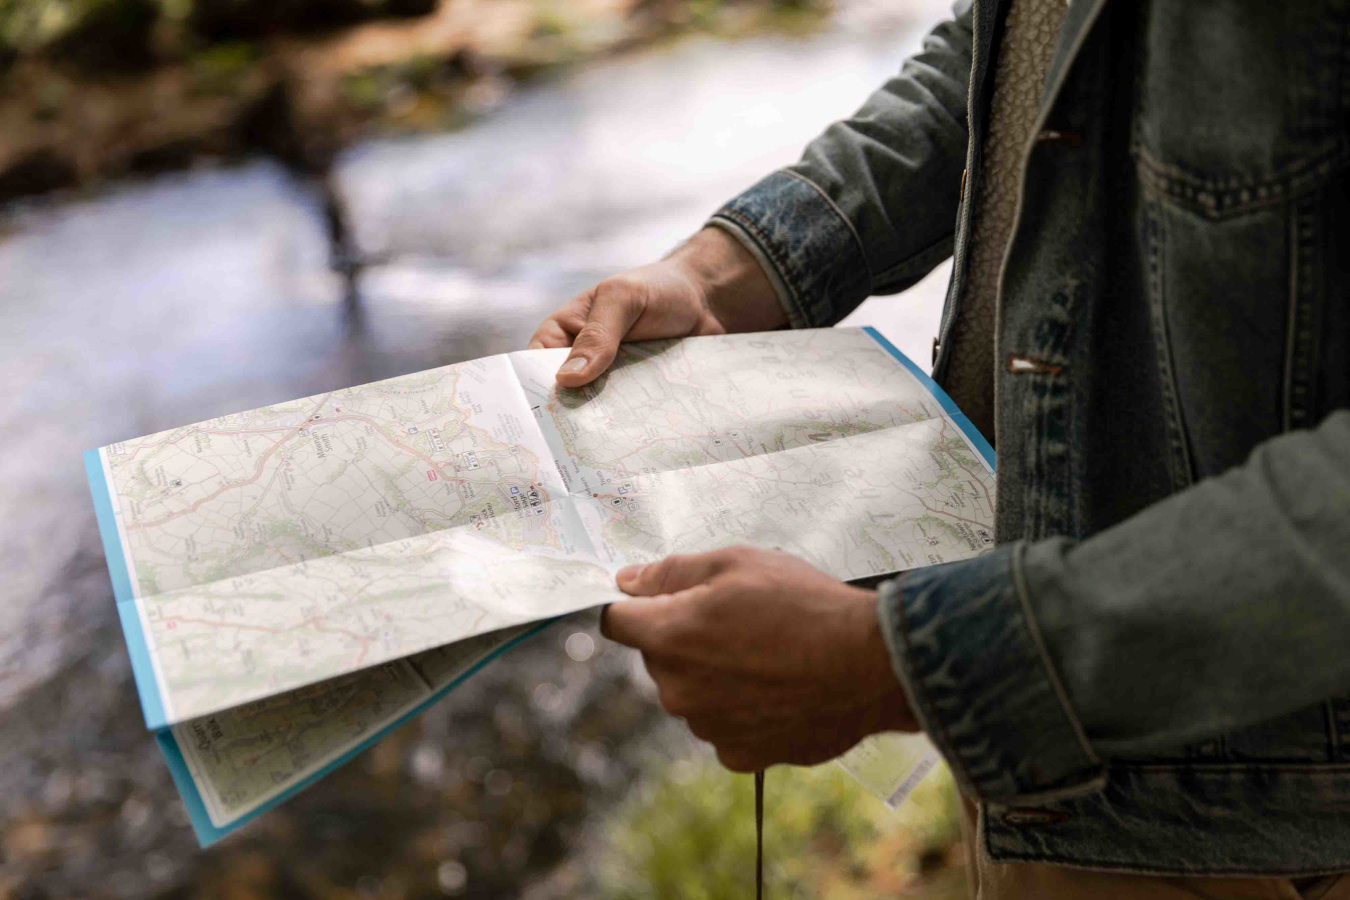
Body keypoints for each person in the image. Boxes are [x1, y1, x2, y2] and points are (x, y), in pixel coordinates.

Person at [528, 1, 1350, 896]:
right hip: (1037, 761)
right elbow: (1007, 56)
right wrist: (724, 273)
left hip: (1261, 816)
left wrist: (904, 664)